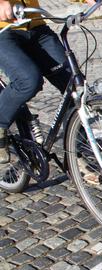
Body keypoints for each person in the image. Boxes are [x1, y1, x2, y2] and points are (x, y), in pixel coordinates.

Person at [0, 0, 95, 164]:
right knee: (29, 81)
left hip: (35, 26)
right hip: (3, 31)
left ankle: (77, 155)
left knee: (74, 87)